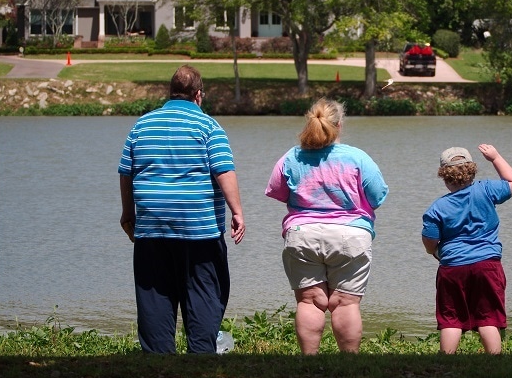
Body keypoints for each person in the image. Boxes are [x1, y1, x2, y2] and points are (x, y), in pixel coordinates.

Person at [118, 64, 245, 354]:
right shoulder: (209, 126)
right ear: (198, 95)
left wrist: (128, 213)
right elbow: (223, 170)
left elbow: (126, 172)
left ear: (170, 92)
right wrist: (237, 211)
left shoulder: (142, 125)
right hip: (199, 229)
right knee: (204, 291)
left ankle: (159, 357)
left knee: (154, 294)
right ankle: (200, 354)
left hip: (152, 227)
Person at [265, 98, 389, 354]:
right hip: (351, 234)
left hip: (303, 234)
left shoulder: (291, 156)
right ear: (339, 125)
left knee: (309, 302)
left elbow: (278, 192)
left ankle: (309, 361)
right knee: (346, 303)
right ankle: (348, 362)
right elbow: (377, 197)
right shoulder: (357, 157)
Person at [421, 144, 512, 355]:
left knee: (451, 319)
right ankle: (494, 359)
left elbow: (430, 241)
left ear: (444, 176)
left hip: (452, 268)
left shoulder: (436, 208)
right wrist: (495, 157)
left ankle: (446, 359)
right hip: (487, 264)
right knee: (488, 317)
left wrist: (436, 252)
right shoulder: (486, 190)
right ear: (472, 170)